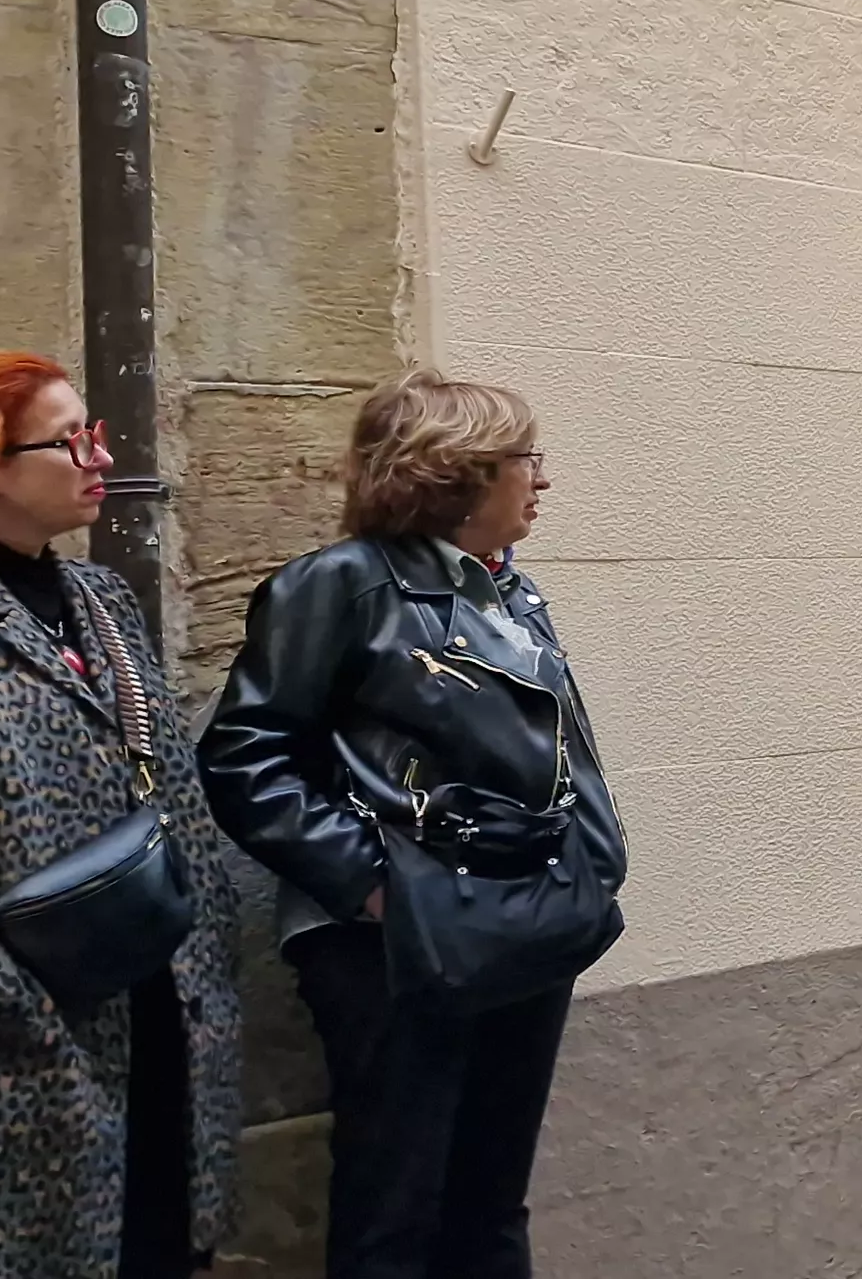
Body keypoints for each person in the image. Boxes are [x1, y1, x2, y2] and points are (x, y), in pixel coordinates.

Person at [199, 370, 614, 1279]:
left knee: (490, 1201)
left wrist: (588, 860)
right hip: (388, 942)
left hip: (522, 915)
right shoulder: (338, 585)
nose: (541, 480)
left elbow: (553, 747)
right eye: (524, 459)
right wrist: (374, 884)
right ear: (456, 472)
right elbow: (245, 757)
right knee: (397, 1209)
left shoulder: (510, 588)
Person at [0, 353, 243, 1279]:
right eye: (71, 439)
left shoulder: (99, 598)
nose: (98, 455)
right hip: (19, 1015)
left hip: (159, 985)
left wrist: (208, 926)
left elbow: (172, 785)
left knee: (156, 1223)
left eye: (96, 432)